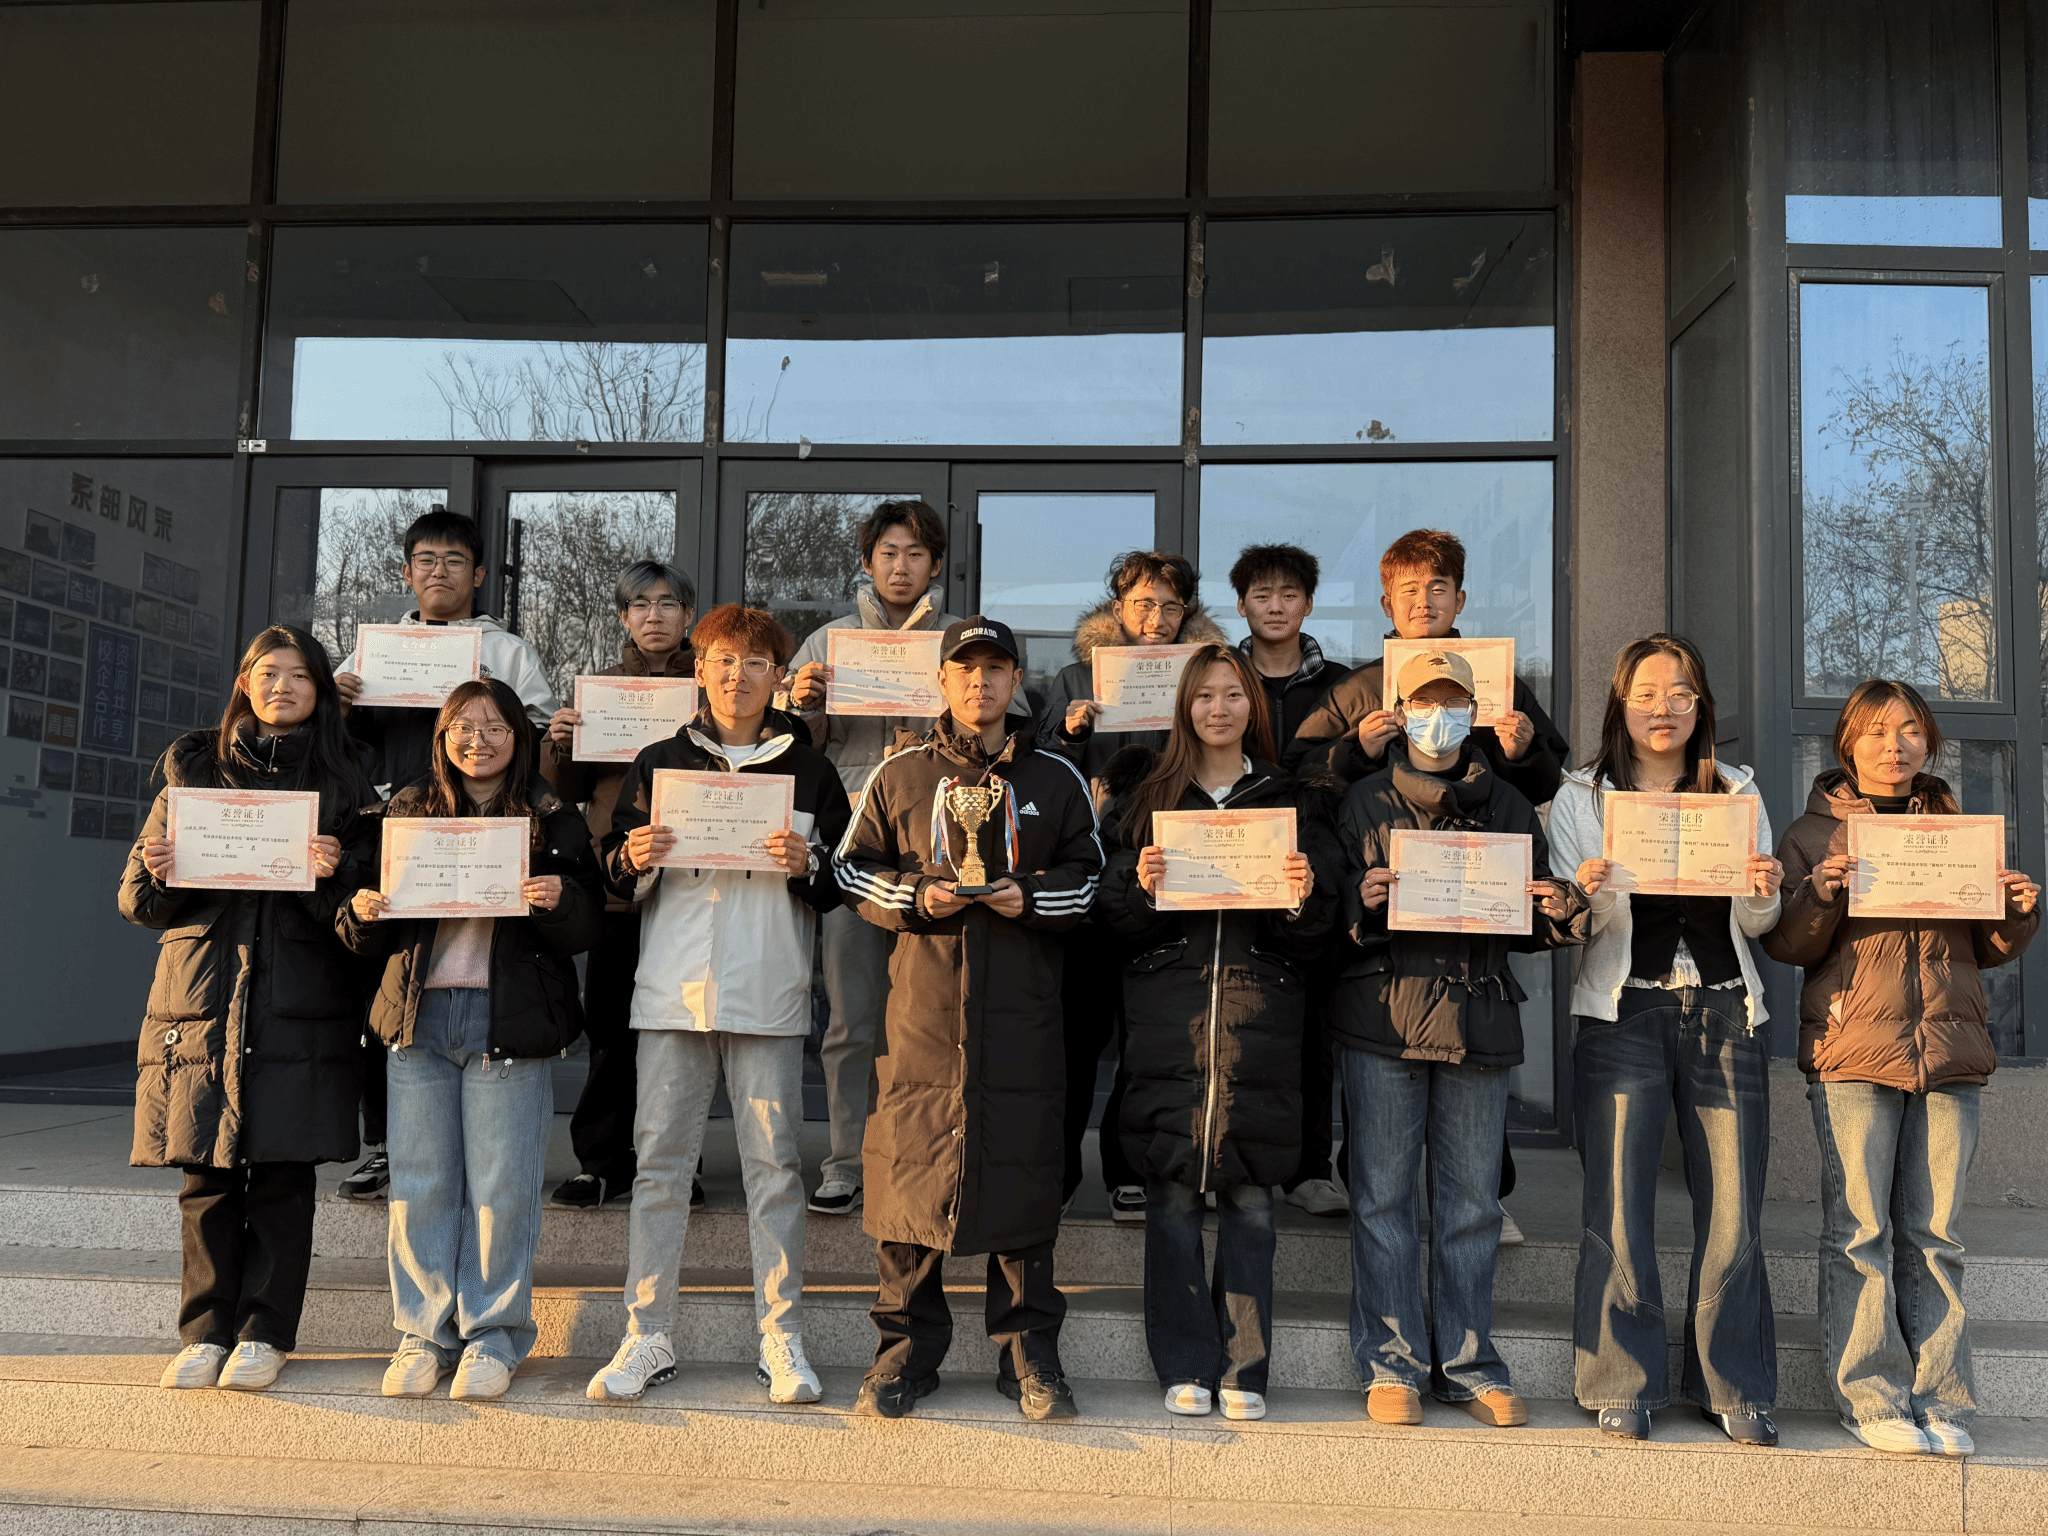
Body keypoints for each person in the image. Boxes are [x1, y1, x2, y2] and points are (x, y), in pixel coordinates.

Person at [835, 617, 1104, 1422]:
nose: (979, 682)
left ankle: (1029, 1355)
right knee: (910, 1172)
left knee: (1022, 1173)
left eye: (994, 668)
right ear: (943, 681)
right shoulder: (900, 773)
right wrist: (918, 897)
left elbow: (1091, 876)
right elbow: (852, 869)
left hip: (1023, 1014)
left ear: (1016, 679)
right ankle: (902, 1356)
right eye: (965, 669)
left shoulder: (1056, 776)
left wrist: (1034, 899)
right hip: (921, 1012)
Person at [1763, 680, 2039, 1458]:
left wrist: (2016, 911)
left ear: (1929, 743)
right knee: (1860, 1231)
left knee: (1937, 1234)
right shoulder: (1811, 834)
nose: (1896, 744)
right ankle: (1872, 1398)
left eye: (1911, 729)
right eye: (1879, 730)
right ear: (1848, 742)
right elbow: (1786, 944)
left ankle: (1942, 1399)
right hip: (1853, 1049)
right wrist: (1820, 893)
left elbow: (1984, 948)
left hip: (1950, 1050)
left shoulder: (1955, 829)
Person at [585, 605, 852, 1406]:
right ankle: (647, 1334)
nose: (739, 676)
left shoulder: (811, 772)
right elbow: (613, 869)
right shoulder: (659, 761)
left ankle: (781, 1335)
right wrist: (632, 857)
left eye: (756, 663)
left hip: (768, 991)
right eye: (724, 661)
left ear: (779, 677)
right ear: (699, 670)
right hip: (673, 992)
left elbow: (839, 882)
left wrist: (809, 864)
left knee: (775, 1171)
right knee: (660, 1169)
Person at [1286, 527, 1566, 1246]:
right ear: (1387, 602)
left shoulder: (1501, 682)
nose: (1424, 601)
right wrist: (1354, 750)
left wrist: (1523, 752)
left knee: (1477, 1057)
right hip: (1393, 916)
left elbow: (1548, 782)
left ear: (1460, 599)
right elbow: (1300, 776)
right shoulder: (1357, 688)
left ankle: (1485, 1195)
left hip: (1478, 904)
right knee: (1380, 1079)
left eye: (1438, 588)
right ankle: (1371, 1191)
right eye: (1408, 589)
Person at [1338, 649, 1586, 1429]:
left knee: (1473, 1205)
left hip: (1480, 1022)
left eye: (1452, 702)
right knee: (1382, 1200)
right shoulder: (1364, 801)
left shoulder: (1509, 802)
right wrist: (1359, 898)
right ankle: (1391, 1364)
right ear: (1400, 711)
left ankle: (1470, 1366)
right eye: (1424, 701)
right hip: (1385, 1020)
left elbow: (1530, 924)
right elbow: (1328, 920)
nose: (1437, 716)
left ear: (1473, 713)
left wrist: (1557, 906)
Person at [125, 626, 378, 1393]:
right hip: (201, 1001)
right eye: (268, 673)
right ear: (244, 682)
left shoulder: (348, 782)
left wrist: (334, 874)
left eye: (299, 675)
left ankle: (266, 1333)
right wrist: (164, 871)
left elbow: (362, 923)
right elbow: (138, 901)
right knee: (204, 1178)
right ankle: (204, 1333)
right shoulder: (192, 772)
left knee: (282, 1179)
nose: (282, 687)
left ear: (321, 690)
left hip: (300, 1004)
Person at [1547, 635, 1785, 1446]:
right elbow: (1580, 927)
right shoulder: (1582, 795)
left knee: (1735, 1208)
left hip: (1726, 1008)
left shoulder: (1737, 789)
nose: (1663, 708)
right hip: (1623, 1009)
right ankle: (1623, 1379)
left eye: (1680, 693)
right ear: (1620, 703)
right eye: (1646, 693)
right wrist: (1591, 891)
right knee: (1618, 1202)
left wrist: (1762, 892)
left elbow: (1758, 923)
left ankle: (1734, 1383)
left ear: (1700, 705)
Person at [339, 678, 601, 1401]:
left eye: (494, 728)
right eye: (463, 727)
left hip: (506, 1019)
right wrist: (362, 911)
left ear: (520, 737)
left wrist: (560, 901)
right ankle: (422, 1335)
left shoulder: (549, 815)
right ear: (442, 736)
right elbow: (356, 928)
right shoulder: (406, 809)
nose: (477, 741)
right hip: (418, 1017)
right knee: (420, 1183)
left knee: (502, 1187)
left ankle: (493, 1335)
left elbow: (589, 922)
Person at [1096, 643, 1335, 1422]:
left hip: (1260, 1019)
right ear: (1184, 707)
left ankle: (1244, 1367)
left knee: (1253, 1199)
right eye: (1204, 695)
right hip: (1172, 1019)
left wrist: (1302, 896)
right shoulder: (1148, 798)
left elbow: (1321, 930)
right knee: (1171, 1196)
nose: (1219, 708)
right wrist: (1141, 888)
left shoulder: (1291, 799)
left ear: (1252, 705)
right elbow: (1109, 917)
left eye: (1233, 694)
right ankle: (1184, 1361)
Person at [785, 501, 1027, 1219]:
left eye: (916, 554)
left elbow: (1000, 729)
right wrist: (806, 705)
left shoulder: (961, 642)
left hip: (940, 845)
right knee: (852, 1017)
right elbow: (790, 750)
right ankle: (844, 1159)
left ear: (935, 564)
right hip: (855, 844)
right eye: (888, 553)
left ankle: (928, 1157)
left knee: (934, 1016)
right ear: (867, 562)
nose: (901, 567)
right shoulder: (827, 641)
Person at [333, 506, 561, 1204]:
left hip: (483, 836)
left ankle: (467, 1148)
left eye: (455, 560)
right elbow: (329, 743)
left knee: (475, 978)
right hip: (390, 830)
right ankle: (384, 1145)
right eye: (426, 560)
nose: (440, 572)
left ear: (480, 574)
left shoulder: (507, 652)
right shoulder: (370, 653)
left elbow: (543, 733)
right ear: (407, 573)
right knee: (387, 992)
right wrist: (336, 707)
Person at [1039, 551, 1225, 1222]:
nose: (1156, 618)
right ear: (1118, 609)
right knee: (1075, 1042)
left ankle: (1129, 1171)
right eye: (1143, 603)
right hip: (1091, 879)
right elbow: (1039, 768)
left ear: (1186, 613)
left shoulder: (1202, 675)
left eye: (1171, 606)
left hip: (1167, 876)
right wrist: (1069, 732)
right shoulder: (1076, 676)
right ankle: (1057, 1176)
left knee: (1146, 1040)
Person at [540, 559, 698, 1210]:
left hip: (693, 881)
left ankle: (676, 1164)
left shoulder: (712, 686)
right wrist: (560, 744)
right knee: (610, 1027)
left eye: (667, 604)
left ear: (688, 615)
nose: (654, 616)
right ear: (623, 617)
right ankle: (601, 1163)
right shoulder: (599, 689)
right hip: (617, 881)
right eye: (640, 605)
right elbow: (569, 790)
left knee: (682, 1033)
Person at [1229, 542, 1355, 1218]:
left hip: (1316, 860)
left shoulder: (1342, 685)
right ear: (1241, 604)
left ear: (1307, 604)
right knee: (1240, 1017)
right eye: (1261, 595)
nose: (1274, 606)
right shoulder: (1220, 676)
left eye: (1288, 595)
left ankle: (1309, 1168)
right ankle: (1233, 1161)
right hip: (1232, 859)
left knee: (1313, 1024)